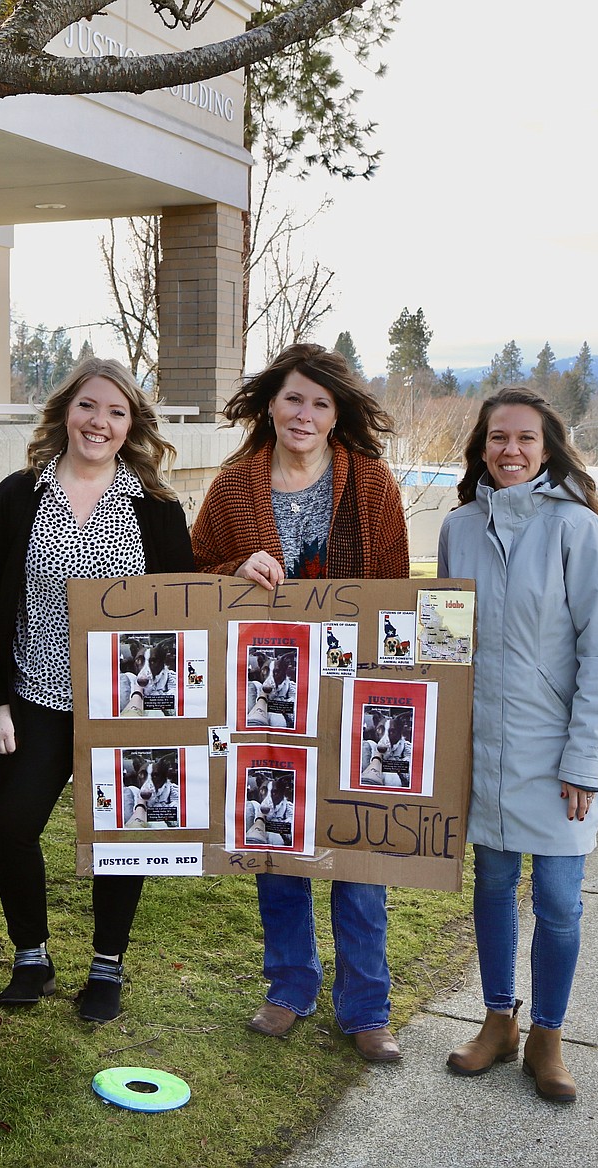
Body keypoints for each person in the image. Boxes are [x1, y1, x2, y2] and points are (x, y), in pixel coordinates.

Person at [191, 341, 409, 1062]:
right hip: (266, 696)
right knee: (275, 840)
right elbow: (194, 579)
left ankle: (366, 1008)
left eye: (320, 402)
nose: (305, 414)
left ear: (337, 410)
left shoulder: (372, 485)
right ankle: (289, 988)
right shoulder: (232, 487)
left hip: (351, 695)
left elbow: (395, 591)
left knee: (358, 856)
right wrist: (232, 567)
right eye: (293, 399)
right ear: (270, 405)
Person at [0, 356, 194, 1022]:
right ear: (65, 411)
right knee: (9, 820)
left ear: (131, 426)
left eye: (115, 411)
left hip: (128, 704)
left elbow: (185, 607)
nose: (98, 422)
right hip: (37, 694)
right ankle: (31, 956)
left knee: (120, 832)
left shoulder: (156, 508)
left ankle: (107, 965)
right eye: (87, 406)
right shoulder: (18, 496)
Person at [439, 387, 598, 1103]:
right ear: (480, 448)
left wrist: (583, 758)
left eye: (524, 439)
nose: (509, 450)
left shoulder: (580, 529)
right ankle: (498, 1020)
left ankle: (547, 1035)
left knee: (558, 900)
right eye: (496, 439)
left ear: (547, 448)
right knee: (490, 884)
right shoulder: (459, 526)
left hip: (558, 750)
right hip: (485, 748)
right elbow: (445, 641)